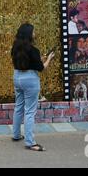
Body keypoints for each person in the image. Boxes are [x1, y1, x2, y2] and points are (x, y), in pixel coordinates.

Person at [10, 23, 54, 151]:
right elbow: (41, 68)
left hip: (17, 77)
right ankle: (30, 142)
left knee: (19, 107)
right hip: (30, 80)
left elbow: (27, 61)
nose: (35, 34)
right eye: (33, 32)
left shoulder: (16, 48)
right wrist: (49, 59)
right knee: (29, 111)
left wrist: (40, 58)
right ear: (29, 34)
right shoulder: (33, 50)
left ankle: (16, 134)